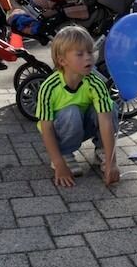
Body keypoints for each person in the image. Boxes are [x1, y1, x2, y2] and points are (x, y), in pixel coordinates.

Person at [35, 25, 119, 187]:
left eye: (89, 52)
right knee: (71, 111)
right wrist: (59, 164)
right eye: (80, 54)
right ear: (62, 60)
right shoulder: (49, 87)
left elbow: (106, 121)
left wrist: (112, 161)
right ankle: (65, 154)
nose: (88, 58)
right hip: (59, 132)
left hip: (82, 126)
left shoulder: (95, 83)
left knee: (110, 107)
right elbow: (46, 129)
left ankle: (102, 151)